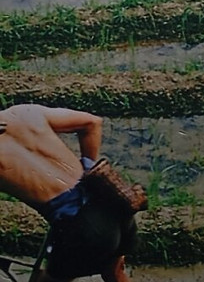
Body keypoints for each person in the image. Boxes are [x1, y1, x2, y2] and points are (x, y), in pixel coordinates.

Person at [0, 105, 135, 282]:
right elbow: (92, 122)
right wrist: (88, 173)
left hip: (86, 229)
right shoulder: (23, 113)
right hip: (115, 204)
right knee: (114, 274)